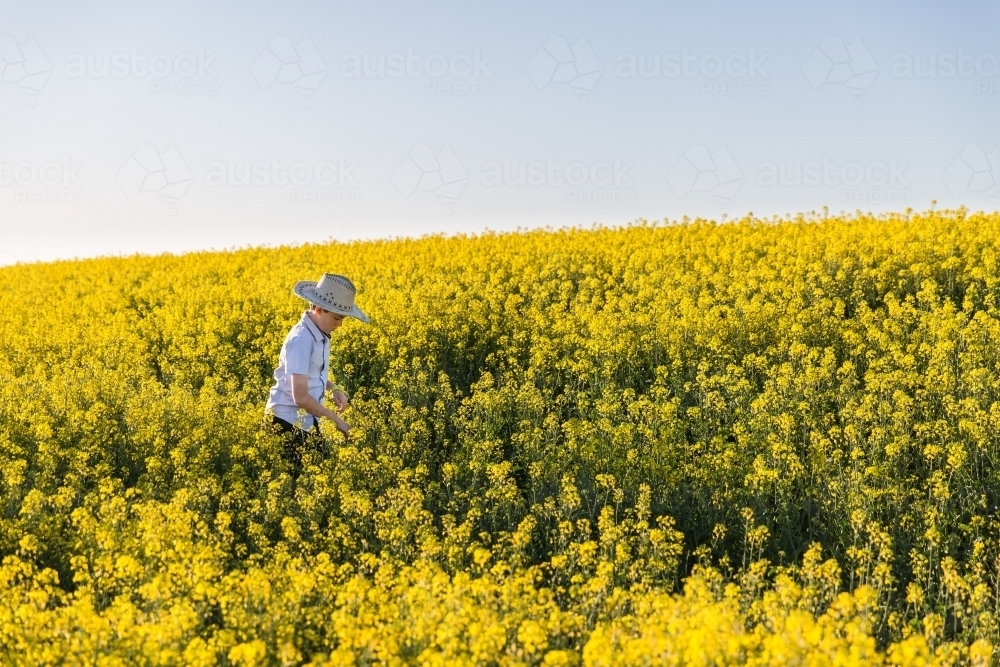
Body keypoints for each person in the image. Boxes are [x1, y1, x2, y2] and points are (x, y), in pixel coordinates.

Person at [265, 273, 370, 471]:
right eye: (337, 318)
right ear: (319, 309)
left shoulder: (319, 334)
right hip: (285, 423)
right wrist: (338, 422)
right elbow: (301, 397)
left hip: (305, 420)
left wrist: (334, 387)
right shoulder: (301, 340)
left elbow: (310, 372)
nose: (340, 324)